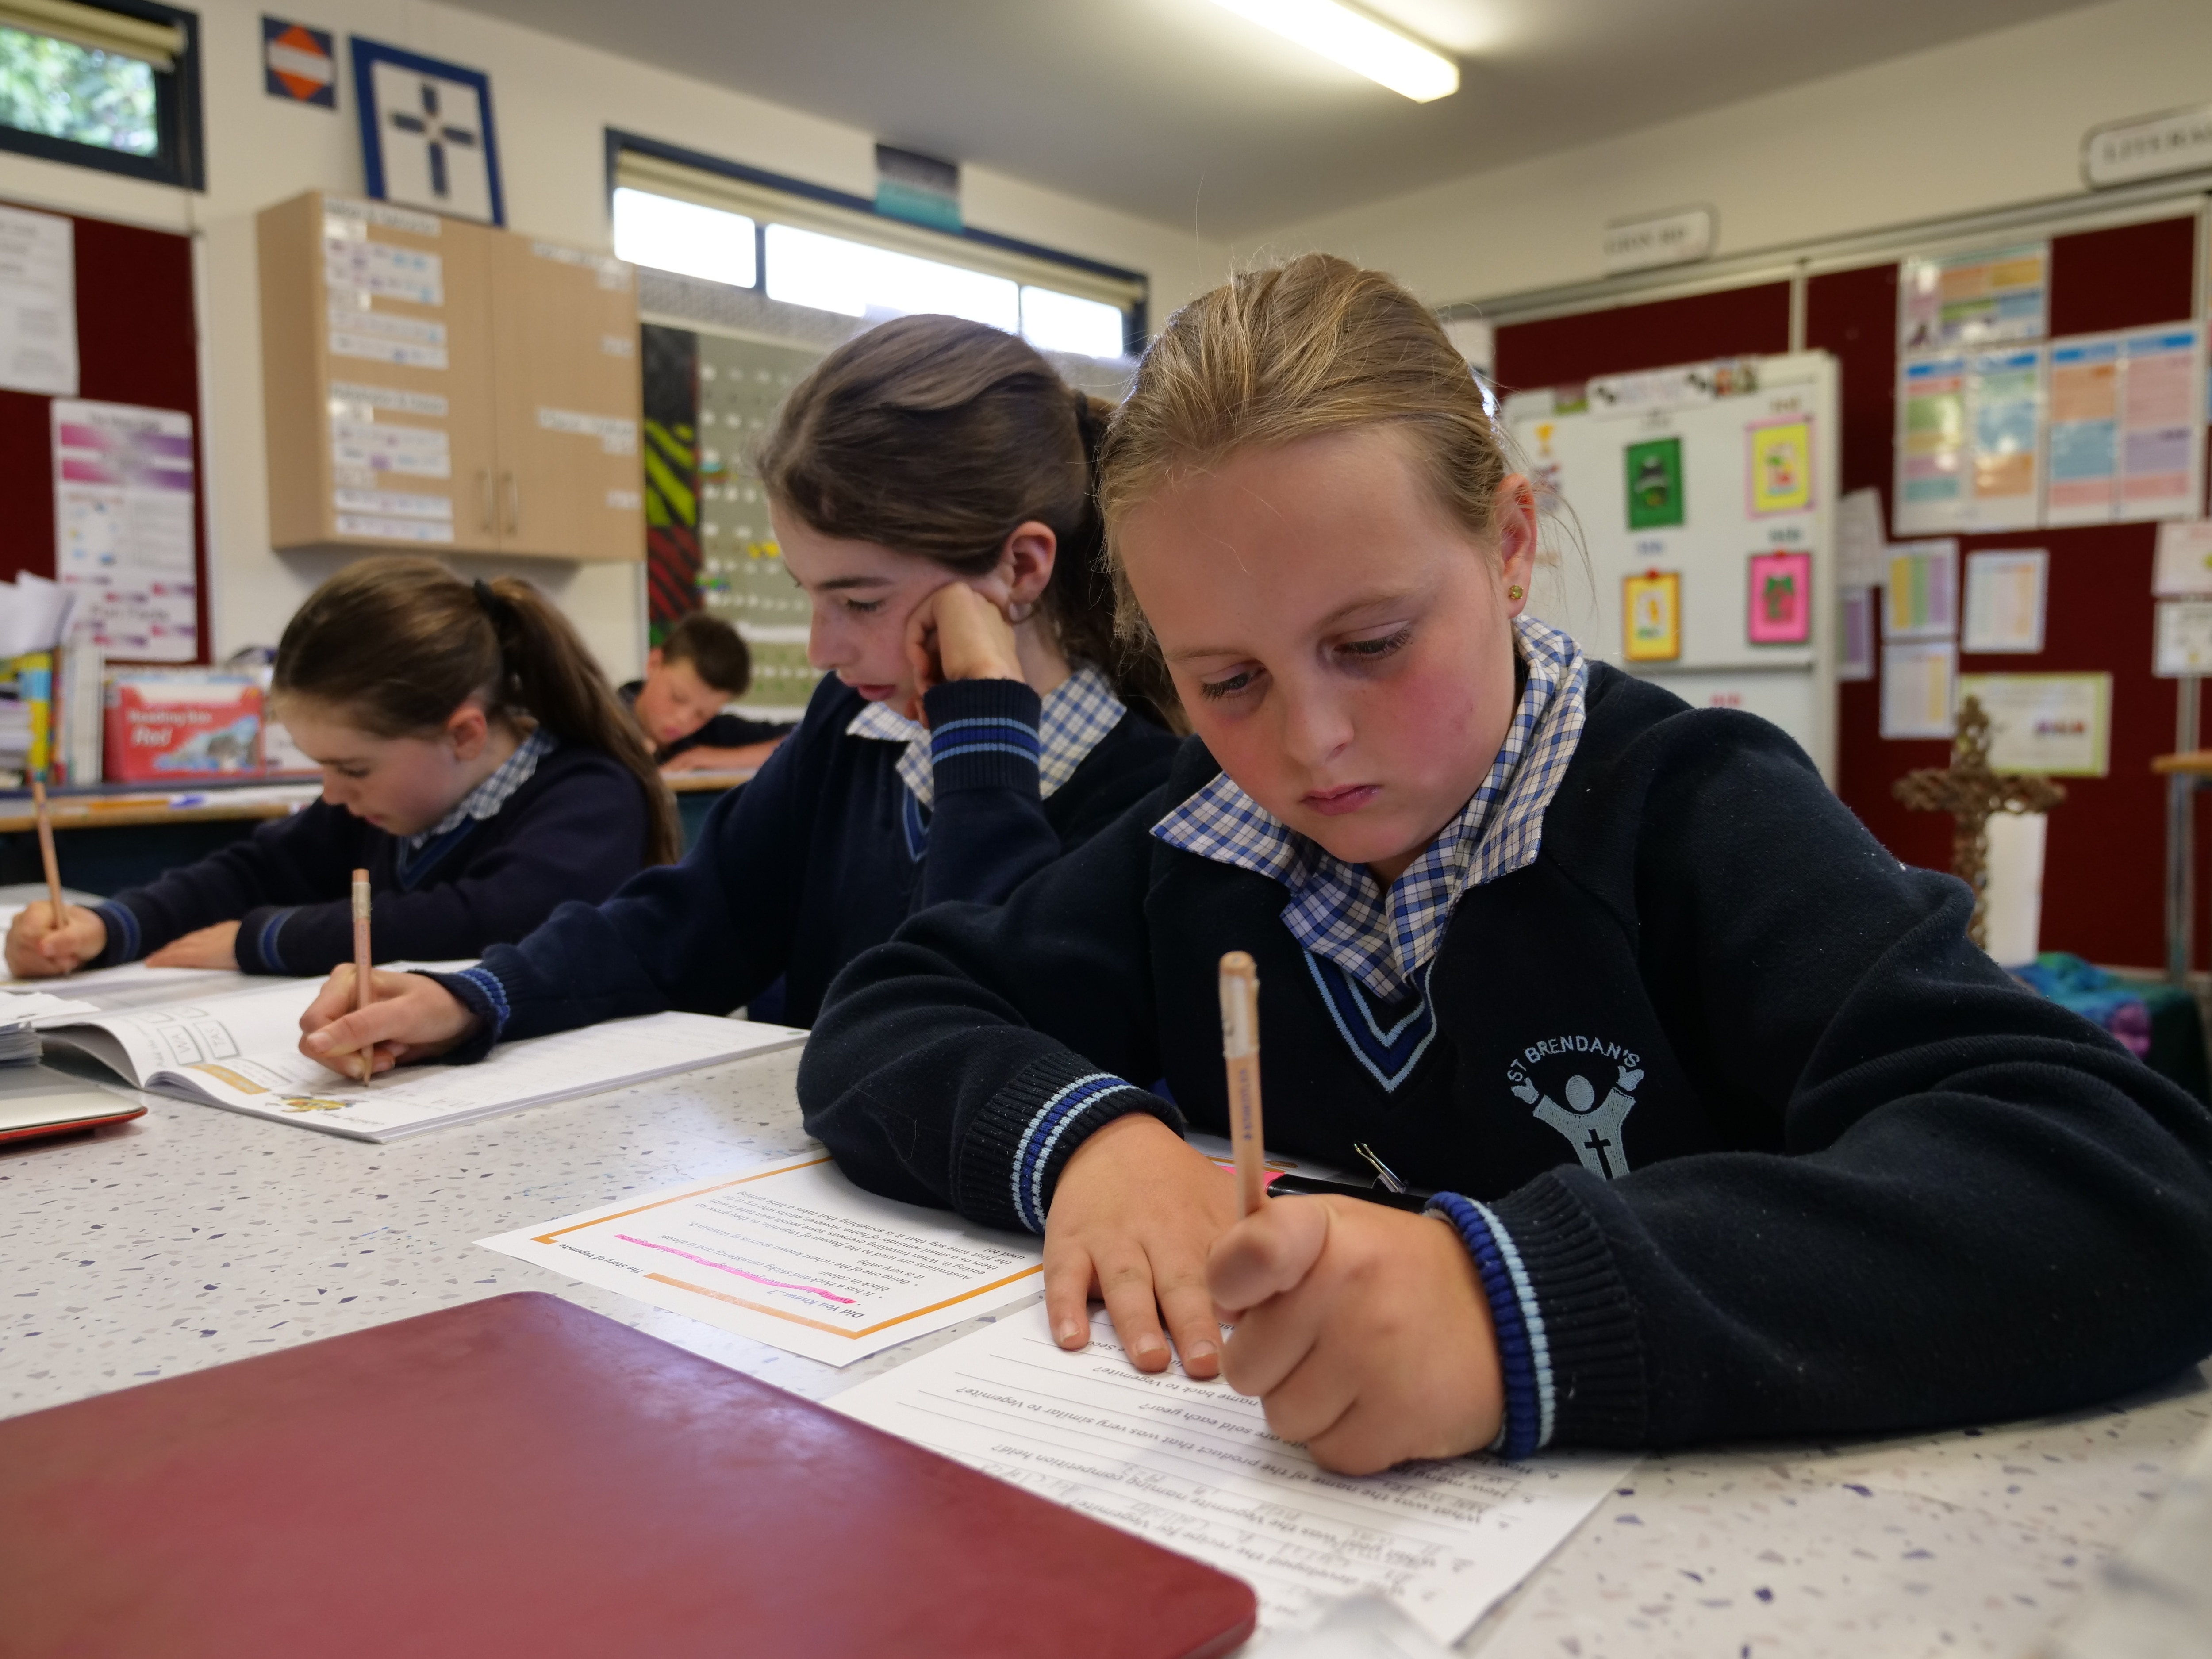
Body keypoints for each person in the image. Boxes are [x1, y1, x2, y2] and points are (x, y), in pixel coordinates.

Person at [785, 256, 2212, 1473]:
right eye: (1226, 679)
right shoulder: (1194, 840)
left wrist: (1512, 1311)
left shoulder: (1687, 806)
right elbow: (892, 1011)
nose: (1312, 741)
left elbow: (2125, 1183)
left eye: (1373, 643)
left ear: (1511, 545)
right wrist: (1091, 1139)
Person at [291, 313, 1183, 1063]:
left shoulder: (1151, 789)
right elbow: (694, 922)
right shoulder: (855, 723)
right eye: (811, 595)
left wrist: (982, 721)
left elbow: (978, 1032)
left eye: (860, 599)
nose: (823, 649)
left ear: (1020, 567)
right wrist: (478, 996)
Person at [5, 558, 678, 978]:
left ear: (464, 734)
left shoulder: (590, 795)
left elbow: (488, 921)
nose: (332, 792)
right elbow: (255, 869)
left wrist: (265, 939)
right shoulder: (387, 801)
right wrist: (112, 926)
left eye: (352, 767)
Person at [621, 611, 793, 774]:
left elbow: (808, 738)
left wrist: (718, 758)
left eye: (702, 715)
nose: (683, 719)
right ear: (654, 663)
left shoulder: (712, 734)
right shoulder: (603, 722)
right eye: (678, 698)